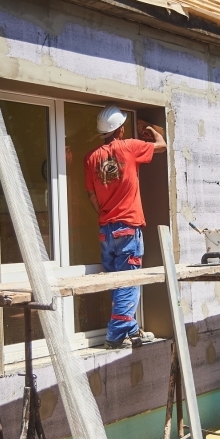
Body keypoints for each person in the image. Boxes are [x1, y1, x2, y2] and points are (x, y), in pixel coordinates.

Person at [84, 105, 167, 349]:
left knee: (117, 284)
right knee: (128, 282)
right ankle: (116, 335)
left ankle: (131, 328)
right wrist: (152, 130)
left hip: (106, 231)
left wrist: (106, 214)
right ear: (120, 129)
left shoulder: (91, 158)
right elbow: (162, 146)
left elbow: (91, 195)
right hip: (128, 228)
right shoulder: (129, 146)